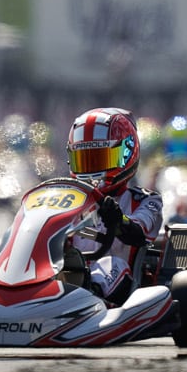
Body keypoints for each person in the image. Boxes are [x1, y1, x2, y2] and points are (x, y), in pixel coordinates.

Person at [66, 107, 163, 306]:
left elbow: (138, 233)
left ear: (127, 154)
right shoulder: (68, 200)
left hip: (122, 286)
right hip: (69, 275)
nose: (92, 169)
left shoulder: (146, 201)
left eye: (100, 159)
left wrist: (119, 220)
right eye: (85, 161)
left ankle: (89, 298)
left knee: (110, 265)